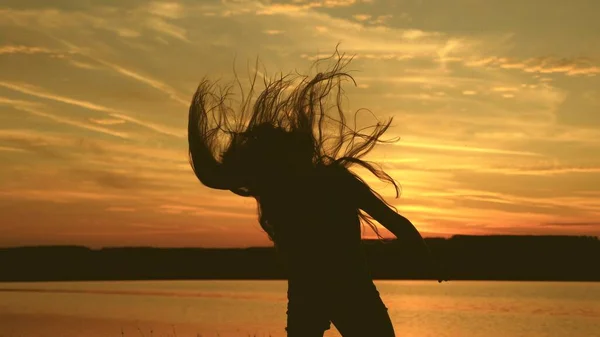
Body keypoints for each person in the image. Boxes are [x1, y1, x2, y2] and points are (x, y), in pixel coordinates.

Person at [188, 49, 445, 337]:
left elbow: (394, 222)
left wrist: (426, 258)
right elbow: (395, 222)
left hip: (312, 290)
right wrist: (428, 259)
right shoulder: (329, 182)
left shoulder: (281, 190)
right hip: (345, 288)